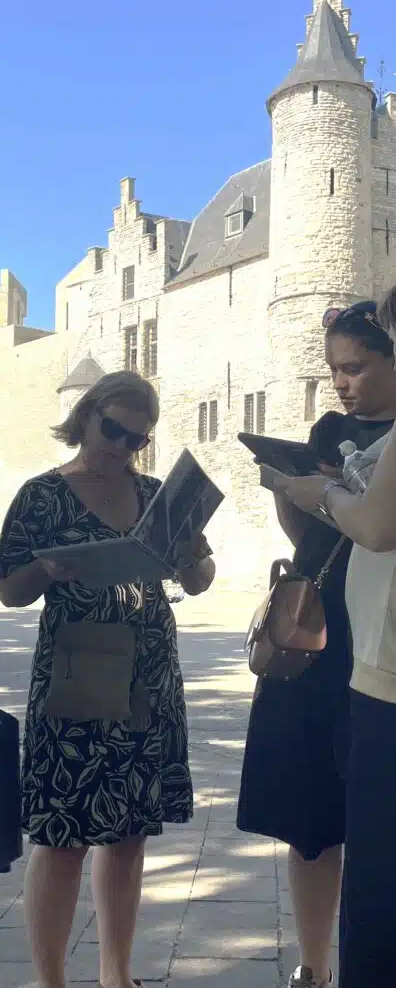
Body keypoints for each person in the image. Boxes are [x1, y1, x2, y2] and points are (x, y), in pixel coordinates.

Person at [0, 370, 215, 988]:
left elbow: (198, 583)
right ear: (86, 414)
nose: (121, 447)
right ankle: (50, 980)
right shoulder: (41, 496)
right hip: (76, 673)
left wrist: (194, 554)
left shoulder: (156, 495)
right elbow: (8, 591)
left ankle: (117, 974)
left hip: (148, 673)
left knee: (130, 832)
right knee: (63, 835)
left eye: (137, 439)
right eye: (113, 430)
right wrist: (47, 568)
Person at [237, 301, 396, 988]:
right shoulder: (330, 430)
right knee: (310, 810)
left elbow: (377, 529)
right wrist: (288, 489)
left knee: (377, 819)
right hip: (317, 629)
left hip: (379, 643)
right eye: (333, 370)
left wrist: (326, 492)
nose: (341, 382)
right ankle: (313, 965)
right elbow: (310, 539)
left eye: (355, 367)